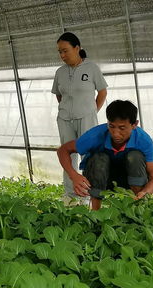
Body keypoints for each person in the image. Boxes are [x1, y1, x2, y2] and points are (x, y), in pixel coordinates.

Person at [57, 100, 153, 210]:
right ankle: (96, 212)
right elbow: (63, 150)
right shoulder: (96, 135)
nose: (115, 133)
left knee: (135, 157)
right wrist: (74, 176)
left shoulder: (143, 140)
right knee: (99, 159)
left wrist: (145, 192)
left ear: (134, 124)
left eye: (122, 128)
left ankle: (136, 208)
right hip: (102, 179)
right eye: (111, 126)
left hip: (129, 180)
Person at [51, 32, 108, 204]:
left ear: (77, 48)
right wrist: (67, 110)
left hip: (87, 118)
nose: (62, 55)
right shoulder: (60, 72)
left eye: (65, 51)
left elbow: (102, 92)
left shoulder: (91, 68)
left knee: (88, 156)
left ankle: (87, 195)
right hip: (65, 118)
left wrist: (92, 111)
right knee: (67, 156)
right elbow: (59, 95)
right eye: (60, 52)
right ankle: (71, 195)